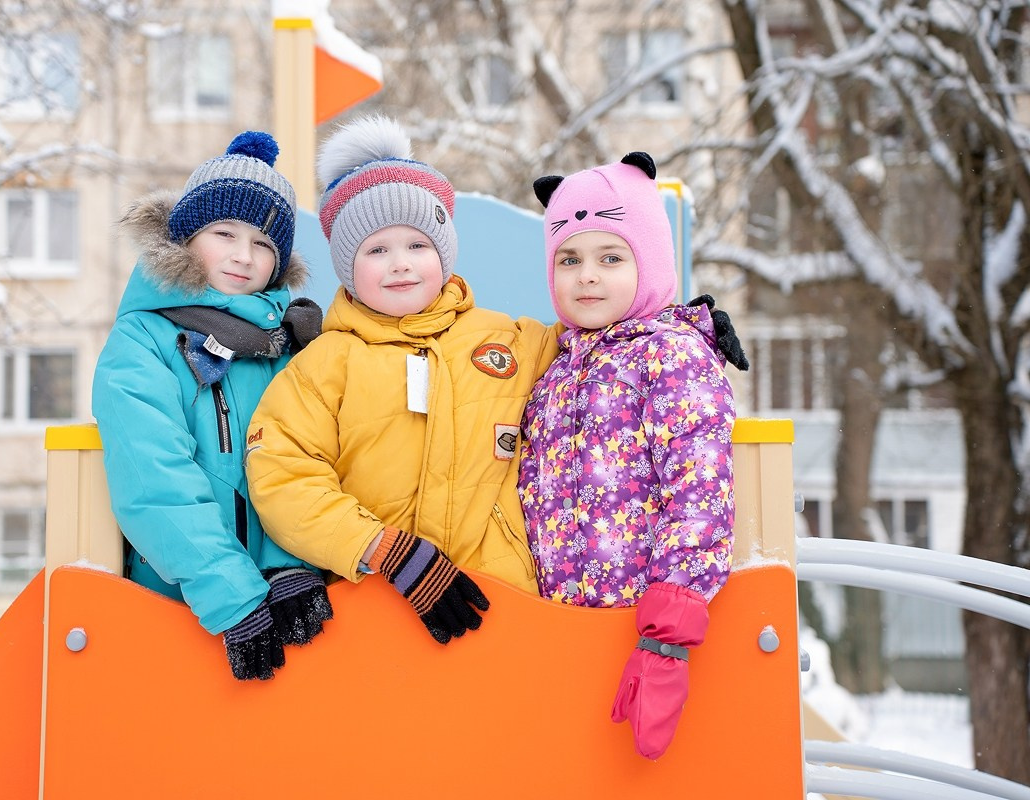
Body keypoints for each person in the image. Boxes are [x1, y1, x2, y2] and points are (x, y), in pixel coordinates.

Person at [245, 116, 558, 645]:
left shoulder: (510, 341)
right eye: (376, 250)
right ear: (348, 267)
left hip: (505, 600)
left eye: (417, 245)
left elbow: (600, 349)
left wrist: (674, 326)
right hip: (379, 607)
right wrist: (383, 549)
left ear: (443, 251)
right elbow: (283, 476)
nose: (399, 265)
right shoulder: (324, 365)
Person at [517, 151, 738, 759]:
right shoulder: (554, 368)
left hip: (642, 629)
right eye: (569, 259)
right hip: (559, 629)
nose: (587, 276)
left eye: (610, 257)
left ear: (652, 261)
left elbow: (701, 491)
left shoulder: (669, 356)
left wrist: (667, 637)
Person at [92, 132, 333, 681]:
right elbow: (154, 478)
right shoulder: (145, 341)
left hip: (293, 600)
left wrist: (290, 564)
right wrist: (231, 593)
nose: (243, 256)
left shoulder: (294, 341)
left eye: (264, 243)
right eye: (224, 233)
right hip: (180, 606)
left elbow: (306, 462)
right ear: (184, 236)